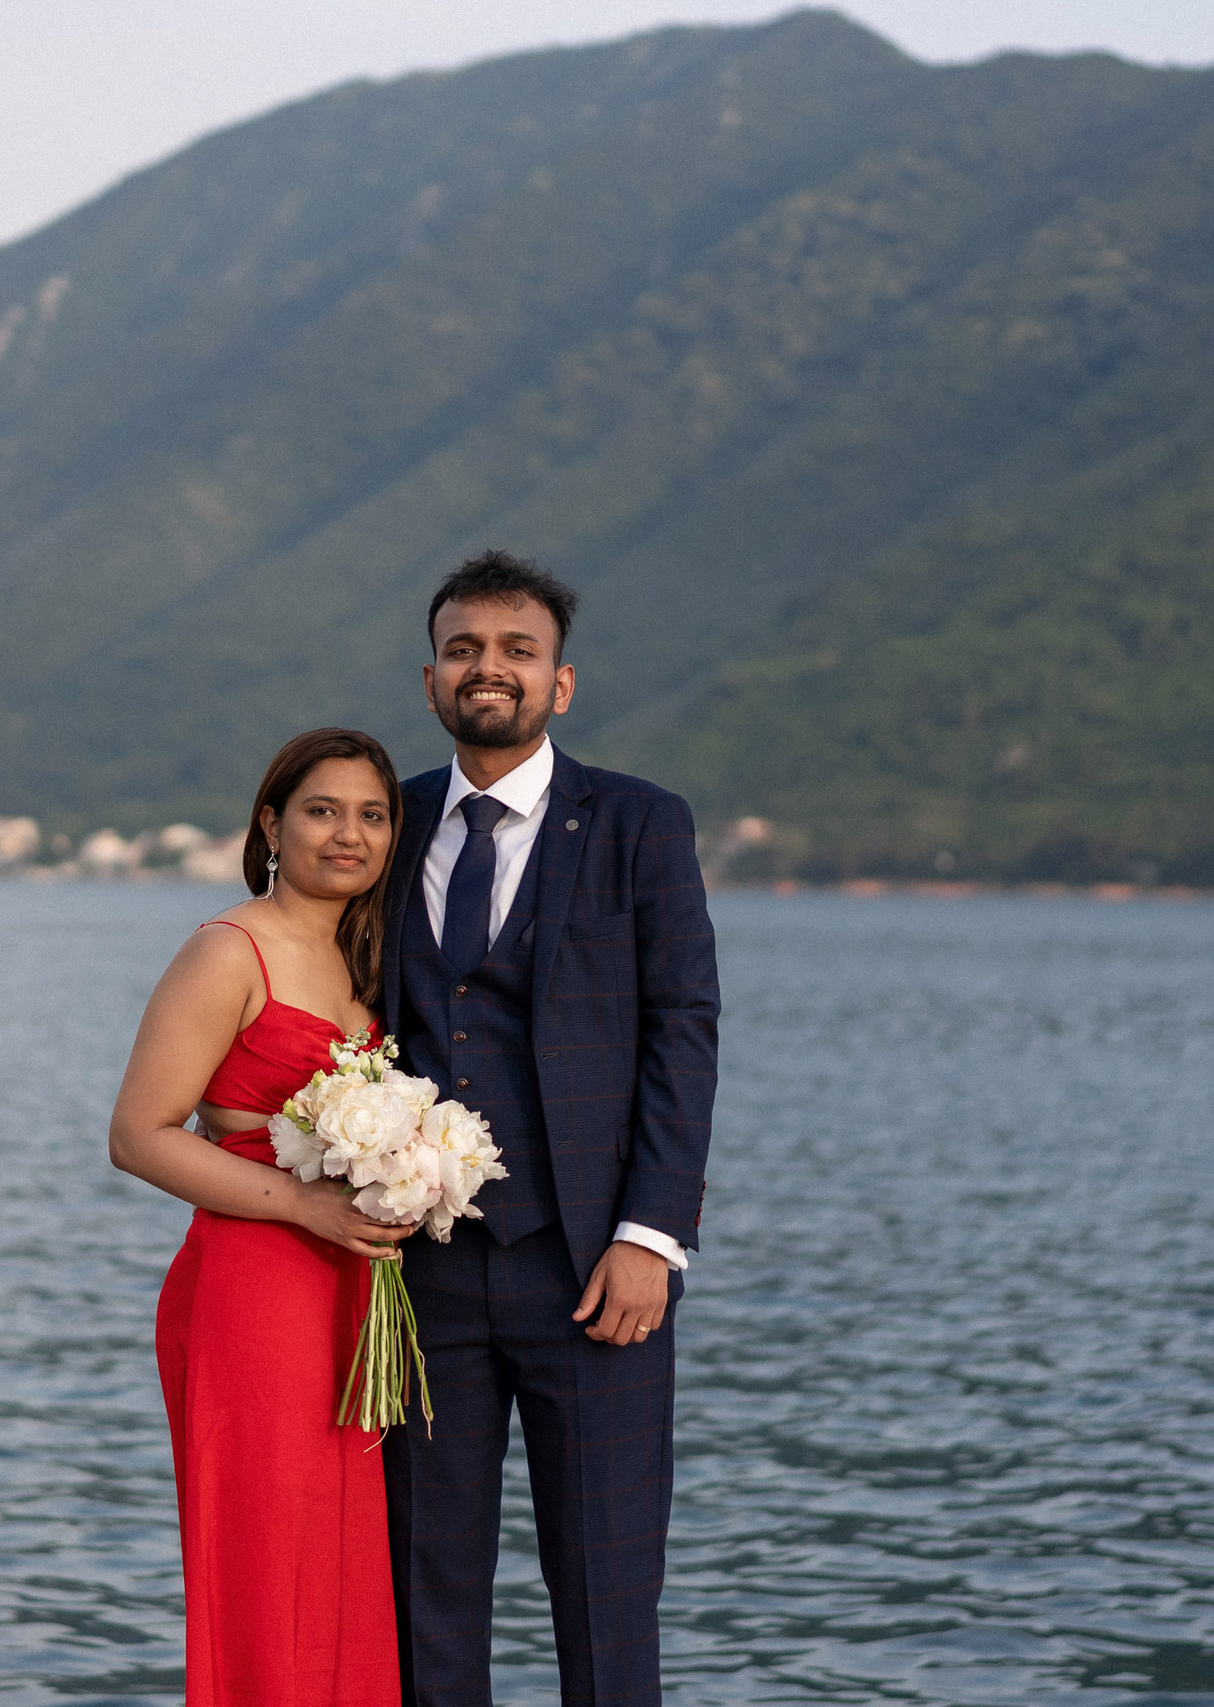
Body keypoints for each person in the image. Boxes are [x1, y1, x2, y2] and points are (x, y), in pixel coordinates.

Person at [382, 551, 721, 1707]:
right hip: (417, 1282)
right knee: (424, 1599)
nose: (491, 669)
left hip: (590, 1272)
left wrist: (651, 1237)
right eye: (466, 649)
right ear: (430, 680)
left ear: (559, 684)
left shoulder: (637, 824)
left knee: (607, 1595)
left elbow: (683, 1028)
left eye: (517, 650)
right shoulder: (388, 821)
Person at [109, 727, 416, 1707]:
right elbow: (139, 1134)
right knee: (262, 1561)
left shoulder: (366, 966)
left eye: (372, 815)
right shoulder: (225, 951)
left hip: (350, 1296)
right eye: (322, 811)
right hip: (252, 1292)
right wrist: (303, 1208)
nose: (349, 835)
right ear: (270, 824)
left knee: (341, 1562)